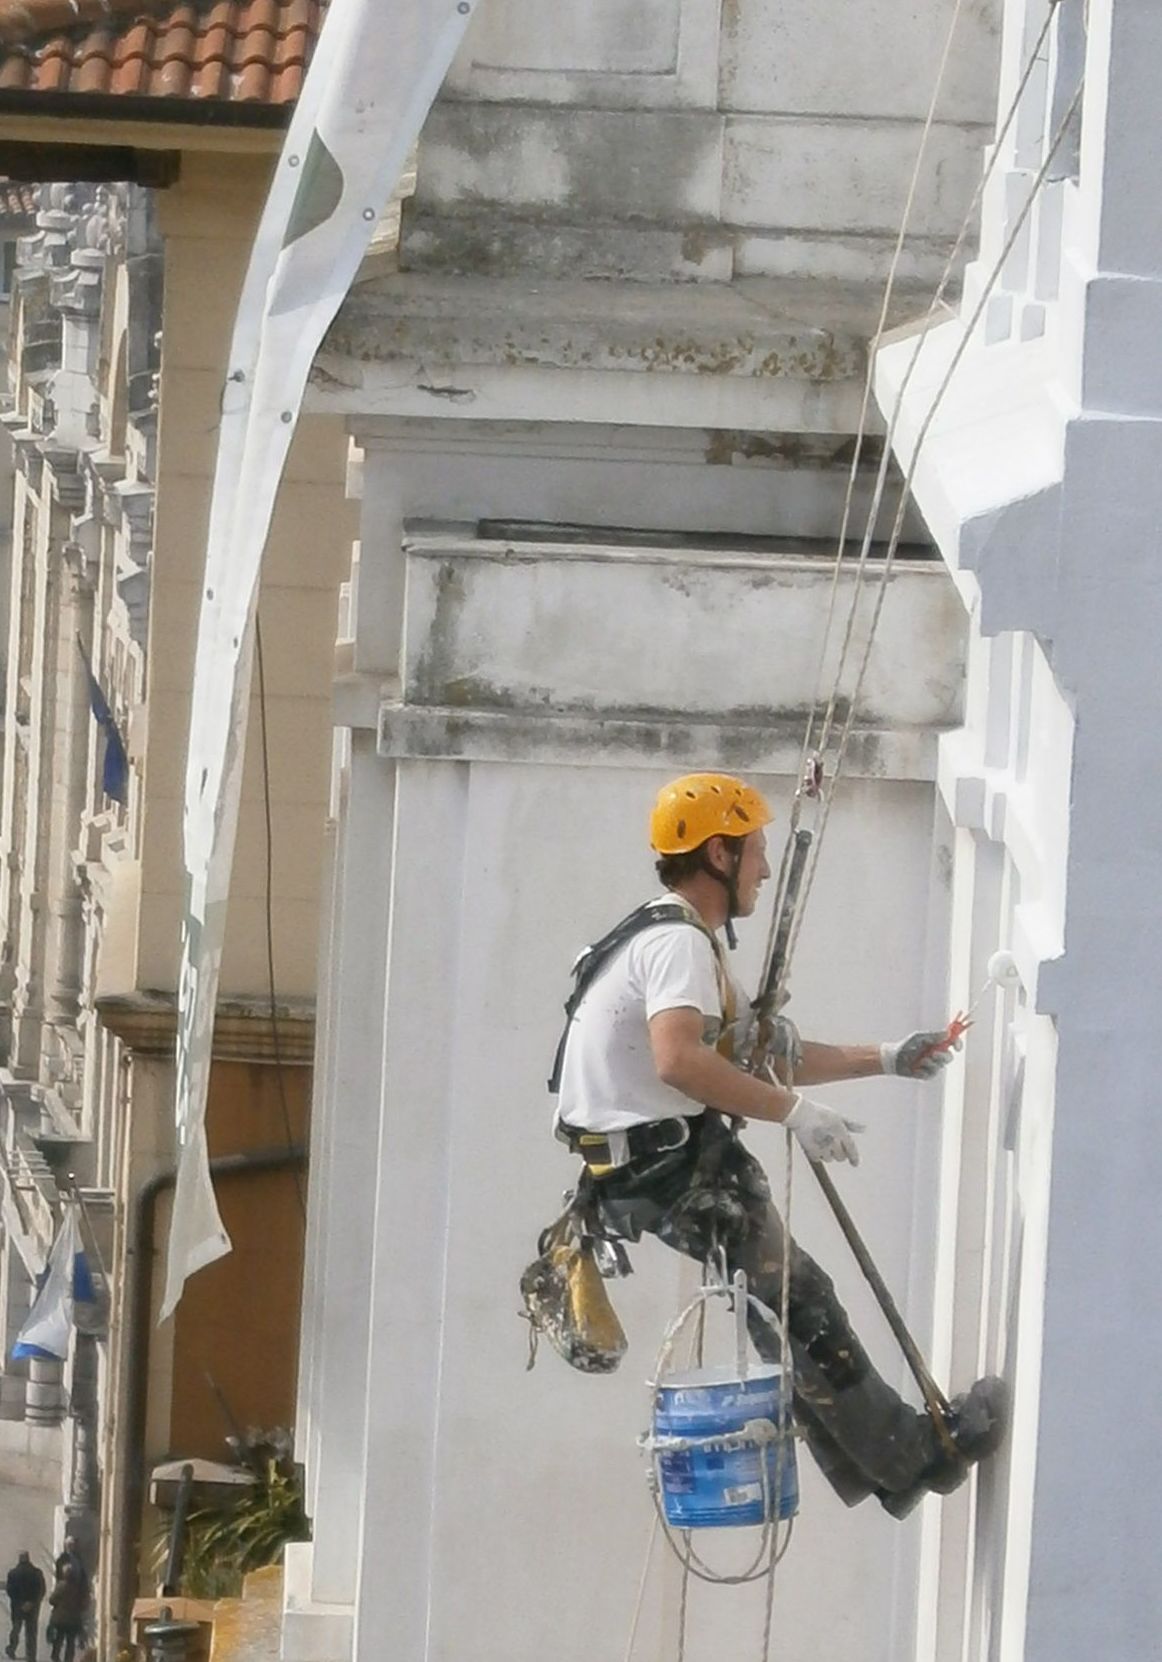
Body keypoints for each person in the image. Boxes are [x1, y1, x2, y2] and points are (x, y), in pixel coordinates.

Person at [551, 771, 1008, 1517]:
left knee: (785, 1310)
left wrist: (887, 1057)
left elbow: (750, 1055)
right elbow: (680, 1061)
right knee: (801, 1305)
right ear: (719, 855)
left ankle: (879, 1464)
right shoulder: (677, 945)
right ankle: (908, 1457)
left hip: (646, 1167)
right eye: (755, 850)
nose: (764, 868)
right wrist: (794, 1113)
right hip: (665, 1168)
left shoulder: (665, 936)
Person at [5, 1552, 45, 1662]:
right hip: (33, 1608)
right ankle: (31, 1655)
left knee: (16, 1629)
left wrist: (20, 1603)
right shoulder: (37, 1573)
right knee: (31, 1632)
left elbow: (10, 1591)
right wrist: (32, 1602)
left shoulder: (13, 1573)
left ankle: (12, 1648)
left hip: (17, 1607)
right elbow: (41, 1590)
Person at [45, 1570, 84, 1662]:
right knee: (70, 1642)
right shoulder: (78, 1588)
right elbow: (82, 1604)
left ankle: (55, 1656)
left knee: (59, 1638)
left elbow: (52, 1600)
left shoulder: (60, 1586)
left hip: (60, 1618)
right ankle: (68, 1659)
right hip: (73, 1619)